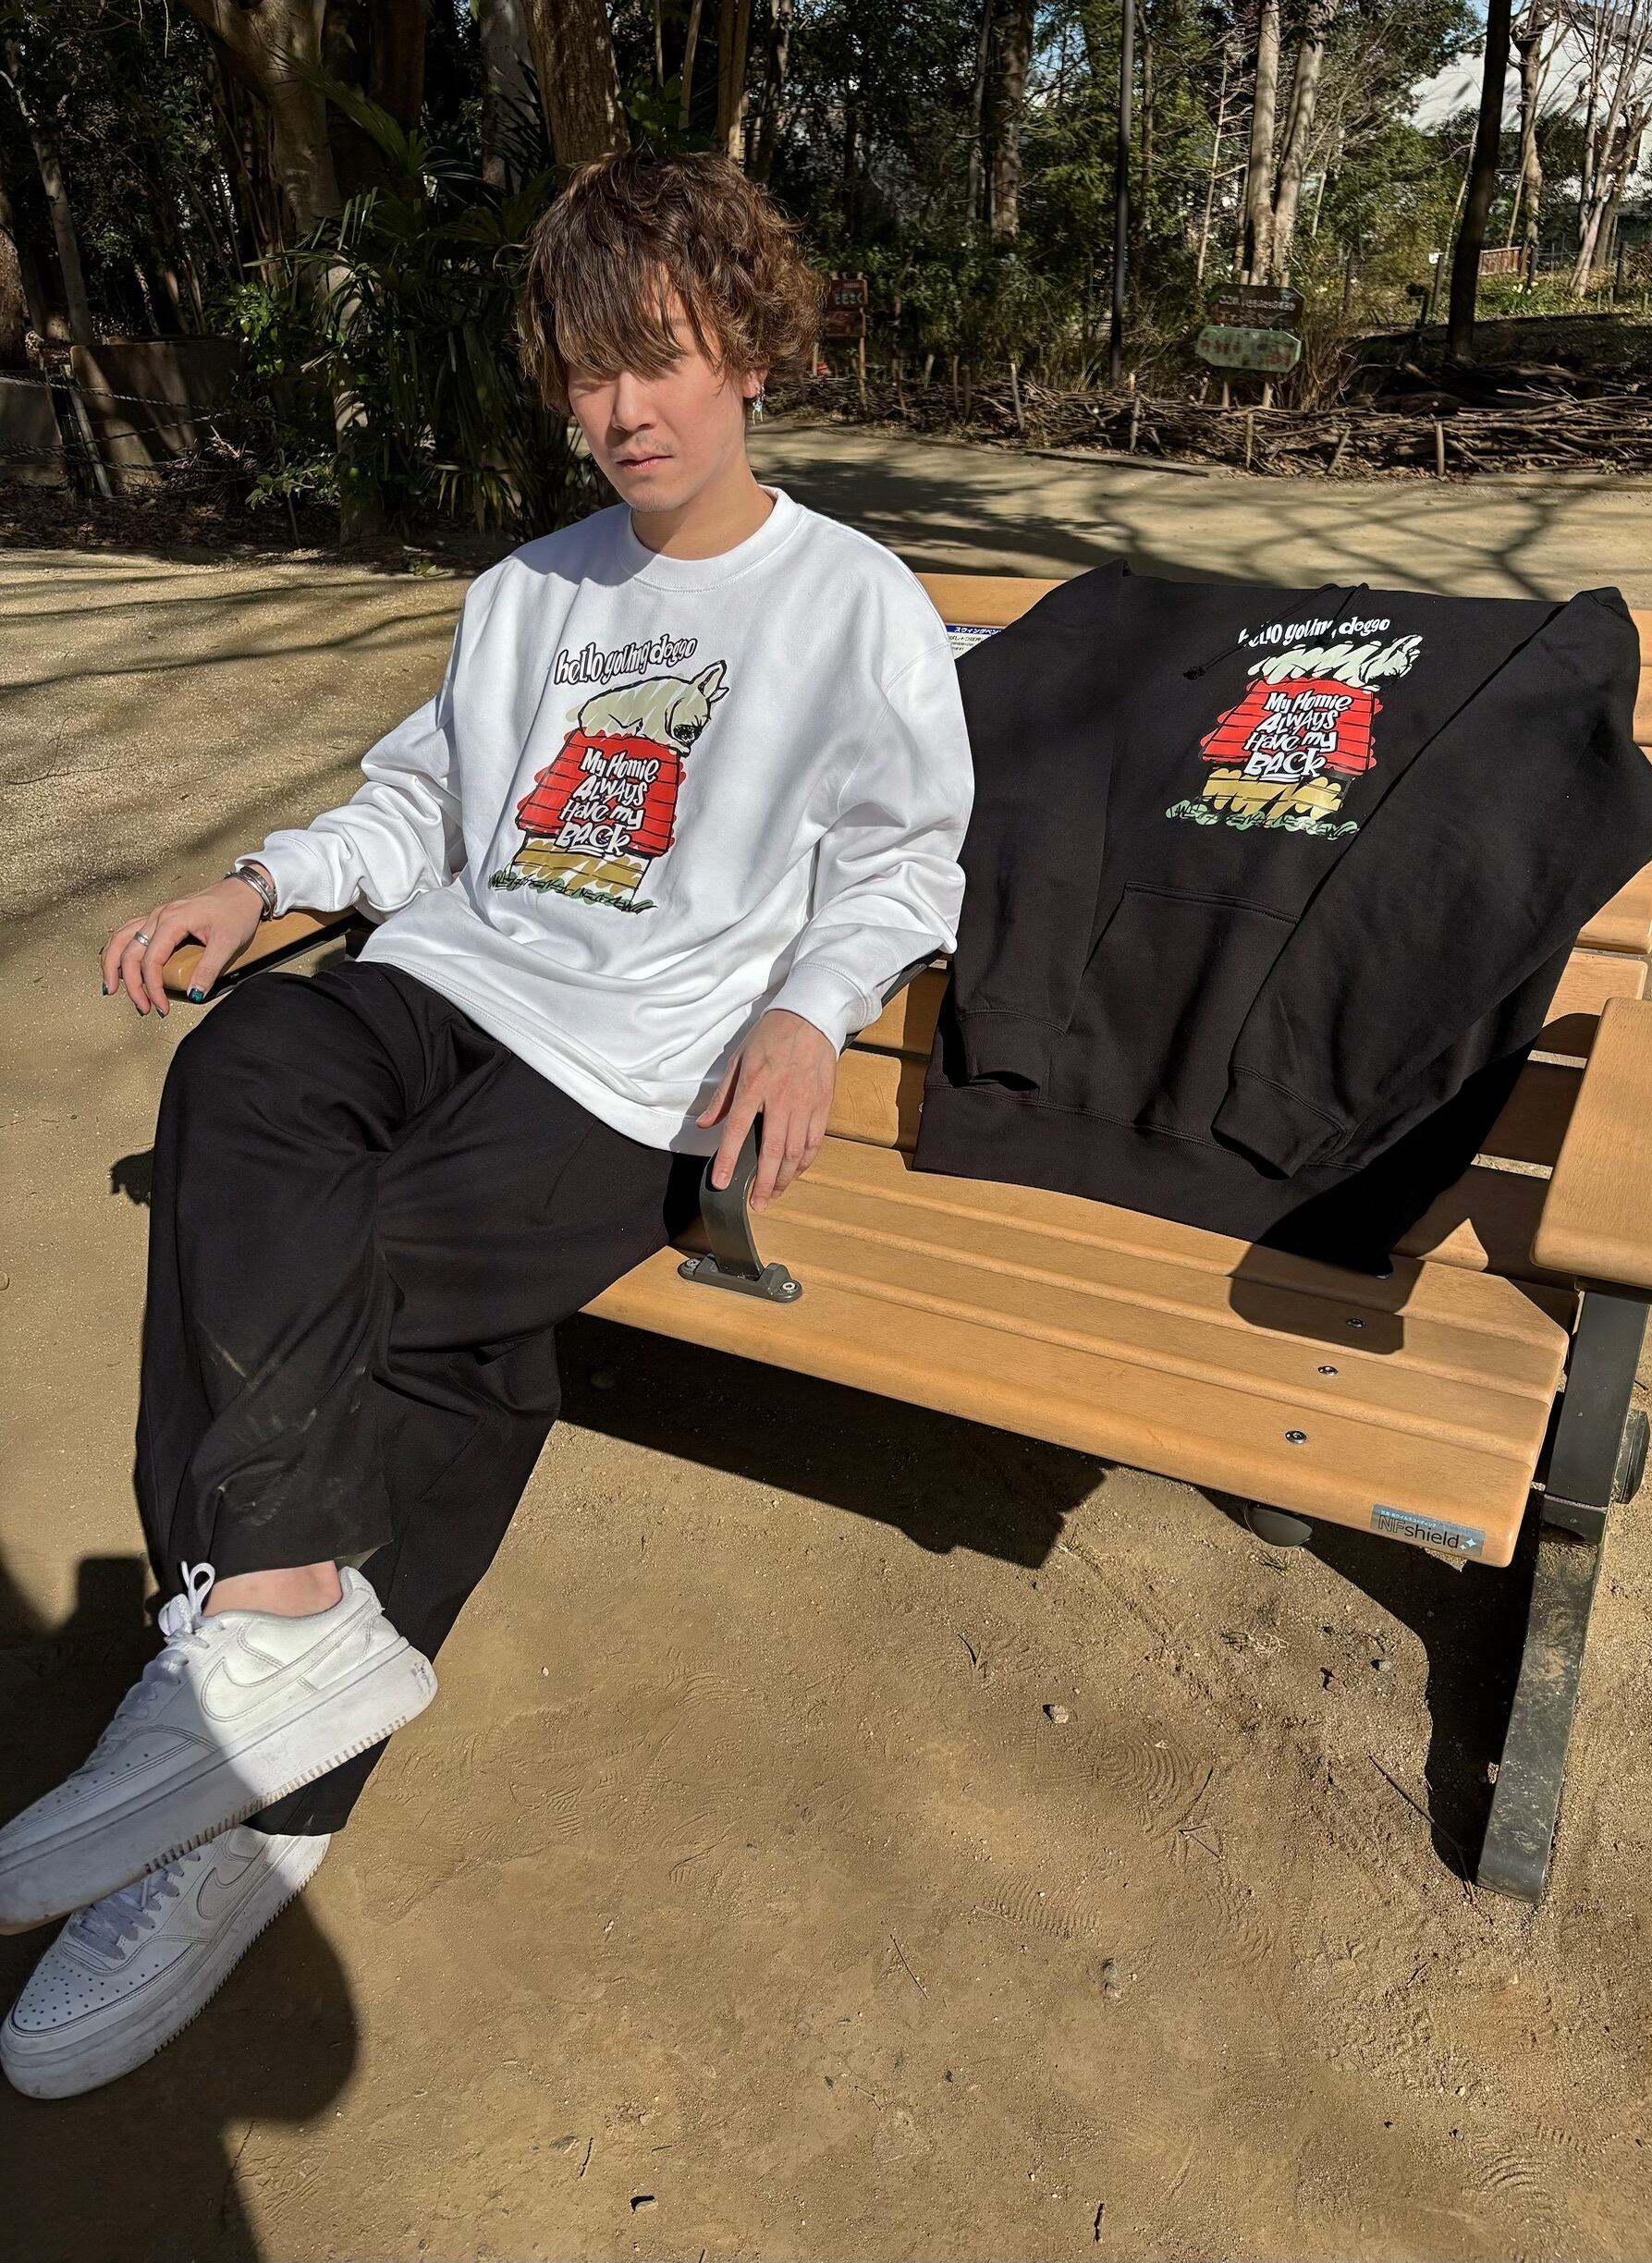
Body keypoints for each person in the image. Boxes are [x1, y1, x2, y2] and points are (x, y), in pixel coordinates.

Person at [0, 151, 973, 2099]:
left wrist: (806, 1013)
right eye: (591, 372)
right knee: (243, 1078)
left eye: (665, 358)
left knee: (377, 1289)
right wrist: (258, 885)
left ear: (751, 351)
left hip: (636, 1063)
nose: (627, 410)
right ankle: (276, 1619)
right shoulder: (531, 589)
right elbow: (424, 809)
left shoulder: (850, 601)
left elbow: (904, 859)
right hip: (451, 981)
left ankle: (253, 1805)